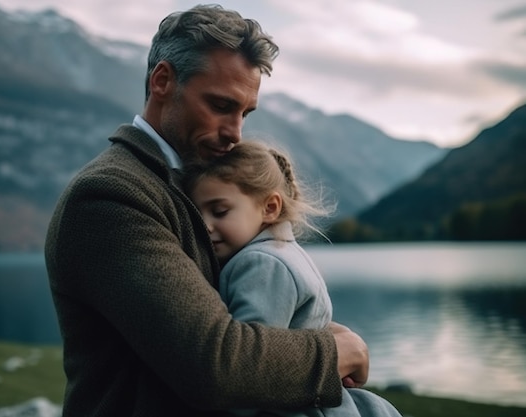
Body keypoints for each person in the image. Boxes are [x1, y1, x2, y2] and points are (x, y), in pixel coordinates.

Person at [45, 4, 370, 416]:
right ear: (162, 81)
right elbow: (216, 364)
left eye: (244, 113)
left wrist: (305, 333)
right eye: (220, 106)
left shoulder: (188, 183)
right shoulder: (111, 196)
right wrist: (337, 351)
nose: (236, 133)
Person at [185, 141, 402, 417]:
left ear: (269, 207)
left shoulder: (262, 264)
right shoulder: (285, 252)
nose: (205, 225)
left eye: (220, 211)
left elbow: (250, 366)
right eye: (198, 214)